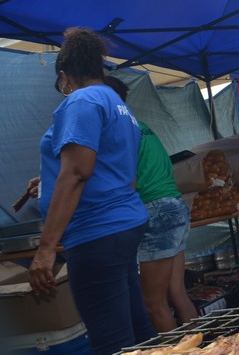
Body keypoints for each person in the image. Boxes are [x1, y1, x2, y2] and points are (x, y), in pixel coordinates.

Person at [28, 27, 156, 354]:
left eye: (61, 85)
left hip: (97, 232)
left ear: (65, 75)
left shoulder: (82, 100)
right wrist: (47, 180)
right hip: (122, 222)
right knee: (136, 329)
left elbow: (76, 172)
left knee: (112, 341)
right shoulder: (116, 103)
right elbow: (115, 172)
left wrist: (45, 249)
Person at [105, 75, 198, 332]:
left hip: (155, 210)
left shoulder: (118, 131)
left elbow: (129, 182)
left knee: (153, 303)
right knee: (177, 294)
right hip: (174, 206)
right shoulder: (141, 125)